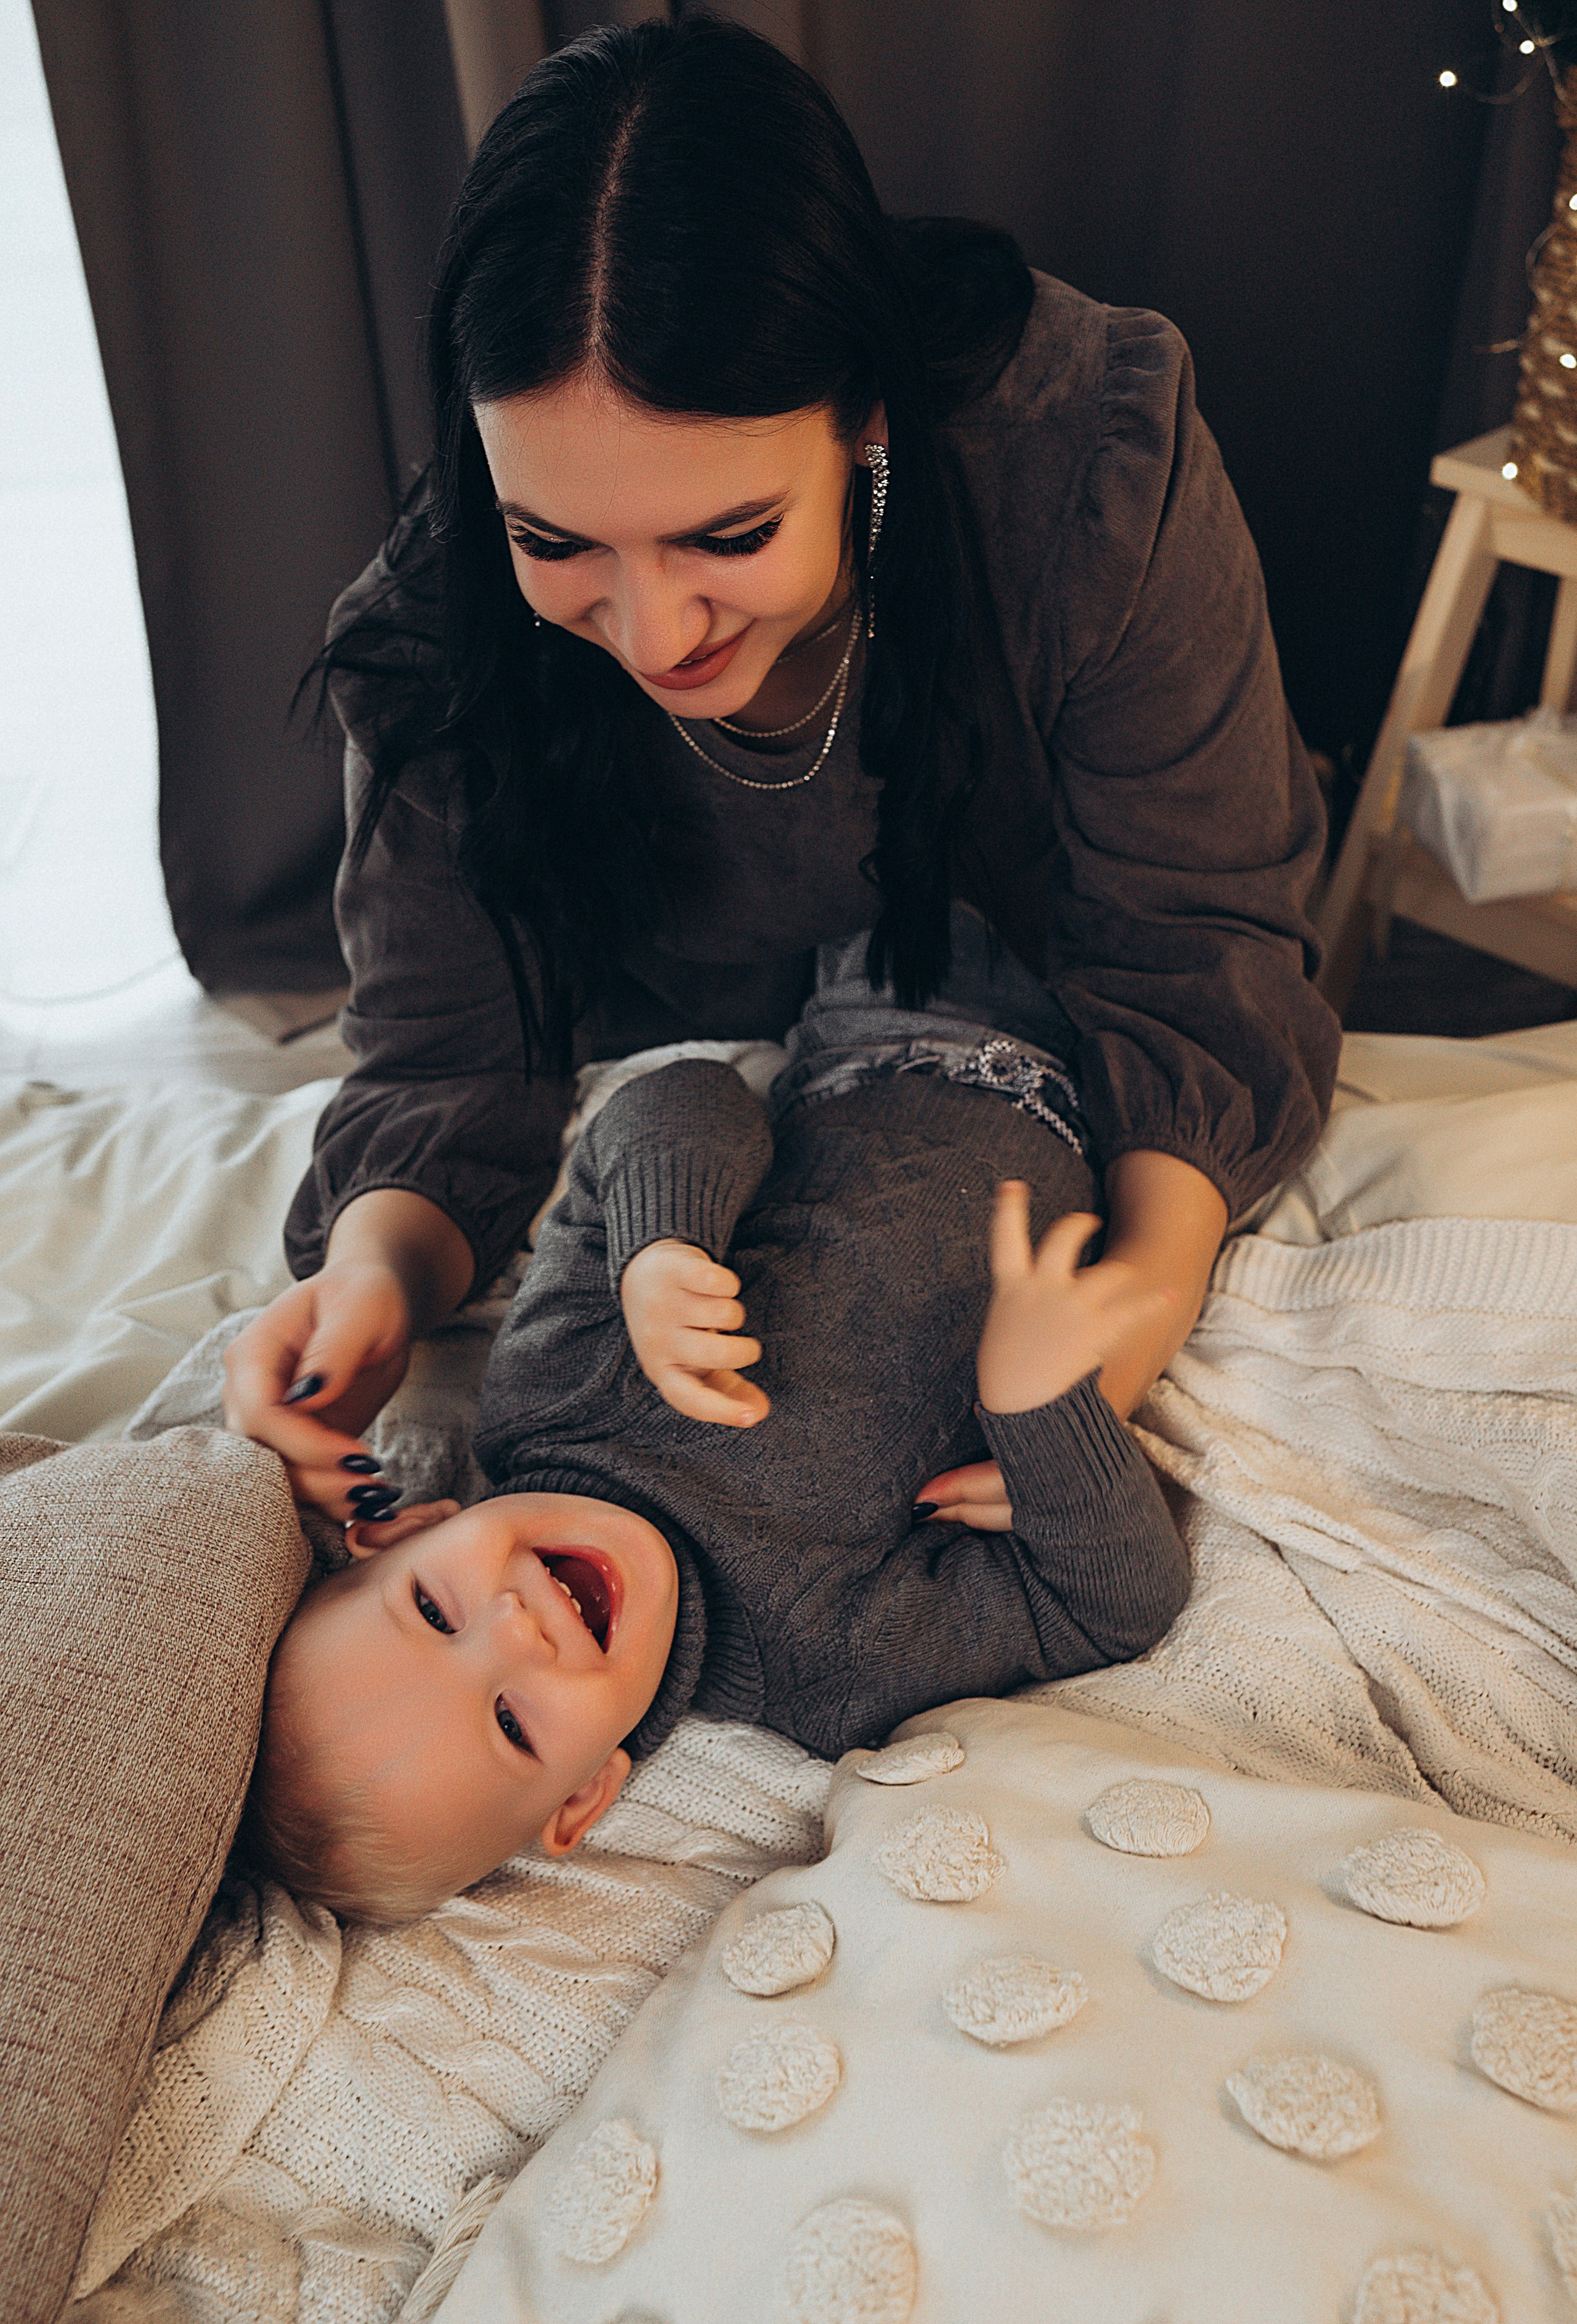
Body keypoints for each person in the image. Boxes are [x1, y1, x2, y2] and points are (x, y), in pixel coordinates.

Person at [222, 14, 1339, 1540]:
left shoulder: (1085, 461)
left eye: (727, 536)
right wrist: (374, 1277)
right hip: (682, 1094)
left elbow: (1196, 951)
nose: (651, 631)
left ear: (863, 423)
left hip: (1038, 1030)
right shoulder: (436, 627)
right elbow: (443, 1053)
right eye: (555, 541)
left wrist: (1142, 1286)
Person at [245, 913, 1191, 1922]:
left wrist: (660, 1243)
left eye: (436, 1609)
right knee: (1202, 974)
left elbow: (679, 1096)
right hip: (1147, 1123)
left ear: (411, 1526)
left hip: (902, 1001)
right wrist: (1041, 1410)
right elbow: (1111, 1607)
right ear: (586, 1793)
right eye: (512, 1722)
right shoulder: (827, 1666)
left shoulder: (551, 1394)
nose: (514, 1628)